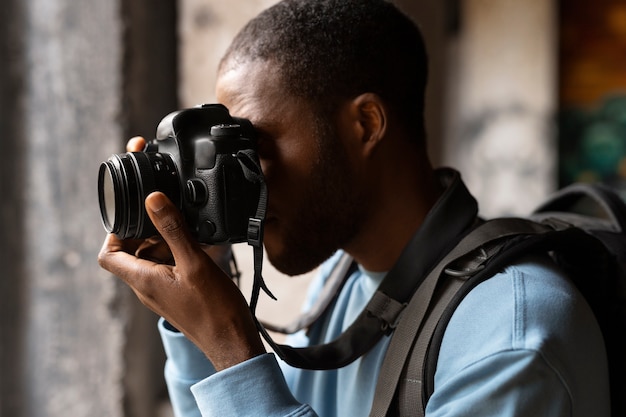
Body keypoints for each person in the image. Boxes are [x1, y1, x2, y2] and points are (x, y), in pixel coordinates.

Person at [98, 0, 610, 416]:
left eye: (258, 145)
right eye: (233, 151)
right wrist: (200, 311)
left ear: (365, 124)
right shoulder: (345, 279)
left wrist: (233, 344)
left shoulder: (513, 336)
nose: (247, 178)